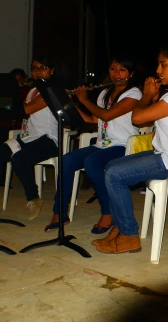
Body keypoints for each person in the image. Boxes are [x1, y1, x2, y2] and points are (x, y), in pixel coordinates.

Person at [95, 42, 168, 254]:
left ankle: (129, 236)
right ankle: (119, 227)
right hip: (165, 155)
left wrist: (145, 96)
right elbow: (146, 122)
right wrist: (152, 97)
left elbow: (137, 118)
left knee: (114, 174)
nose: (158, 70)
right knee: (112, 166)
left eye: (164, 65)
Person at [43, 53, 142, 233]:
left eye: (122, 70)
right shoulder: (104, 93)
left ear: (131, 73)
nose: (117, 74)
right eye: (113, 69)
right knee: (65, 160)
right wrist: (71, 102)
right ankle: (60, 212)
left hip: (124, 145)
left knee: (92, 161)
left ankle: (108, 212)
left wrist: (85, 99)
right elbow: (93, 120)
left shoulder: (134, 94)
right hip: (102, 145)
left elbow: (107, 115)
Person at [0, 51, 59, 220]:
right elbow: (20, 110)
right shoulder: (33, 91)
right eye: (34, 68)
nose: (37, 72)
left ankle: (33, 198)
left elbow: (27, 110)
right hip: (28, 138)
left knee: (19, 158)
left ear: (52, 70)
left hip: (49, 140)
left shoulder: (52, 90)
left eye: (42, 68)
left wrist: (6, 97)